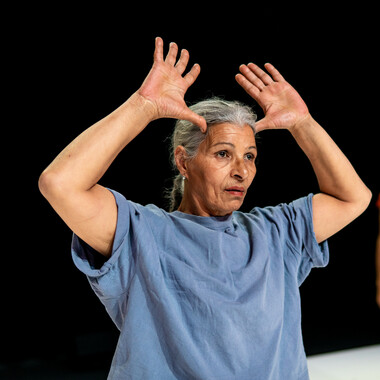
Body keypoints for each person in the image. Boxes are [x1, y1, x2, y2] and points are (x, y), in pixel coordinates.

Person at [39, 37, 371, 379]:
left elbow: (353, 198)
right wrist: (143, 106)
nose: (241, 170)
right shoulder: (141, 234)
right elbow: (60, 183)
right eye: (223, 154)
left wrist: (303, 123)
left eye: (250, 157)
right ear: (184, 161)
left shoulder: (276, 231)